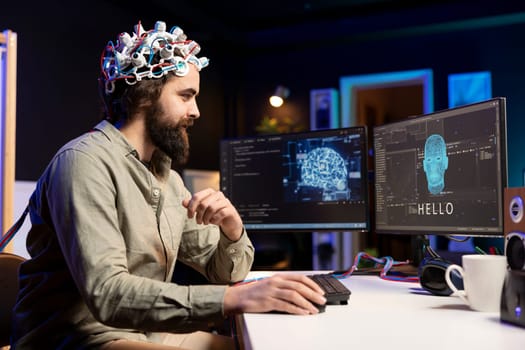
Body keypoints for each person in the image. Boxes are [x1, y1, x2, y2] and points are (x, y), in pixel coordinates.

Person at [10, 20, 326, 350]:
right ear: (145, 95)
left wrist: (232, 230)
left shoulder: (168, 179)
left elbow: (224, 272)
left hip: (140, 332)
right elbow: (108, 294)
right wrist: (233, 299)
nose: (197, 111)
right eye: (186, 96)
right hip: (74, 339)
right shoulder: (84, 163)